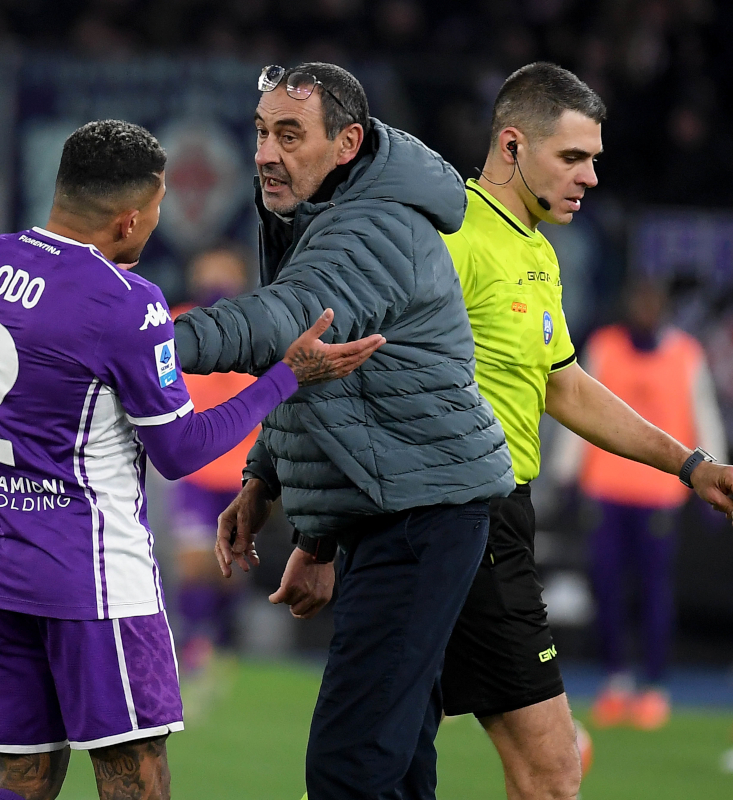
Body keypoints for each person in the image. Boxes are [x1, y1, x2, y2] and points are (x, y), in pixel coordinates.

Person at [0, 120, 383, 800]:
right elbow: (180, 452)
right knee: (137, 779)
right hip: (92, 578)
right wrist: (285, 376)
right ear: (129, 219)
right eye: (155, 208)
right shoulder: (124, 302)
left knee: (21, 779)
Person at [175, 63, 515, 800]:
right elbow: (321, 375)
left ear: (348, 142)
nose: (266, 152)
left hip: (422, 519)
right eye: (262, 132)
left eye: (291, 135)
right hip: (396, 510)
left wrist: (144, 343)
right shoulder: (330, 212)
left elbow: (277, 325)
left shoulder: (372, 225)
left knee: (349, 766)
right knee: (394, 769)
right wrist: (279, 497)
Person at [439, 62, 733, 800]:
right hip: (459, 520)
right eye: (573, 158)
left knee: (396, 759)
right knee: (550, 774)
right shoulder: (451, 235)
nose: (590, 178)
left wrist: (690, 463)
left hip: (492, 520)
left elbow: (561, 385)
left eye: (595, 161)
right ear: (512, 146)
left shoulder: (536, 251)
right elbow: (364, 367)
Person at [553, 277, 726, 730]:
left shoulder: (685, 353)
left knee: (654, 592)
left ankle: (654, 687)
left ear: (664, 308)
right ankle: (616, 681)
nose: (646, 309)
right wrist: (566, 474)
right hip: (606, 490)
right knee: (607, 589)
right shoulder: (605, 346)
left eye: (654, 303)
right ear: (630, 304)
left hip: (659, 495)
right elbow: (577, 406)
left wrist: (717, 473)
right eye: (639, 301)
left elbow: (703, 413)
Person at [168, 245, 257, 673]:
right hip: (195, 468)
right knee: (193, 560)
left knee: (230, 563)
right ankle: (195, 641)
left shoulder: (259, 326)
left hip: (244, 470)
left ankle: (221, 640)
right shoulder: (175, 322)